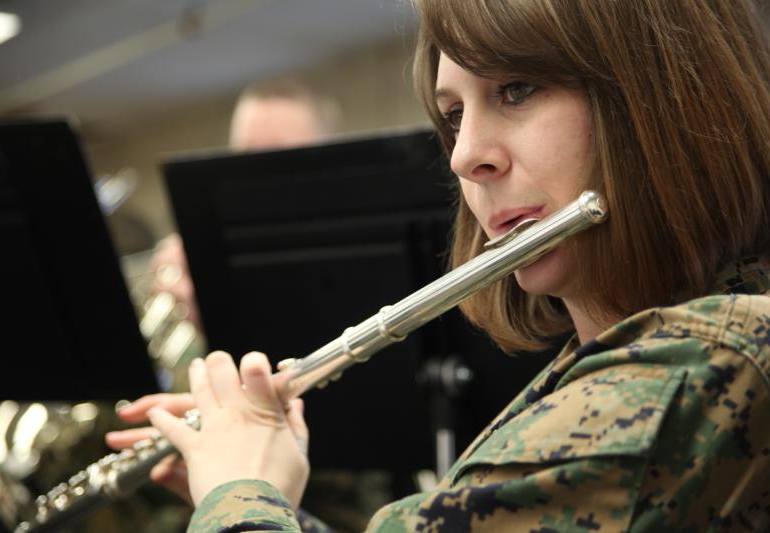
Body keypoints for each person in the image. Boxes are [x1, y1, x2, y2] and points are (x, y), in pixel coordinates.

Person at [111, 0, 770, 531]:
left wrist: (239, 494)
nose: (463, 156)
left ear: (661, 103)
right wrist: (262, 485)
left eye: (516, 89)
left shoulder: (708, 359)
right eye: (454, 114)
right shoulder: (635, 362)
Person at [149, 77, 341, 332]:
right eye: (246, 157)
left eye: (281, 158)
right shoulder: (215, 245)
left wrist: (222, 310)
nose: (257, 175)